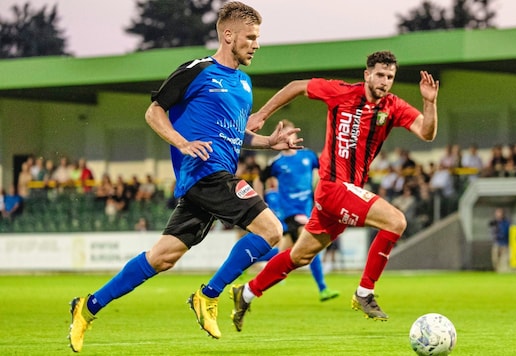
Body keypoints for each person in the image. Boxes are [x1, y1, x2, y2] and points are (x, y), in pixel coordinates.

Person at [67, 2, 302, 352]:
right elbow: (154, 111)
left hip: (213, 178)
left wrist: (269, 142)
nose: (256, 44)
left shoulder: (244, 83)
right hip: (205, 174)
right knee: (271, 230)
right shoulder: (197, 70)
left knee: (162, 257)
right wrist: (182, 142)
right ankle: (208, 295)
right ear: (228, 35)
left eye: (258, 38)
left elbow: (236, 136)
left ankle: (87, 307)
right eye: (250, 37)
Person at [229, 50, 438, 331]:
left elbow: (426, 132)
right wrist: (262, 115)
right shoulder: (340, 92)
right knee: (396, 221)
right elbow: (296, 86)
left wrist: (429, 103)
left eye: (390, 76)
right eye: (379, 74)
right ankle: (365, 292)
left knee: (299, 257)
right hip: (333, 188)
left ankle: (246, 293)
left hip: (346, 194)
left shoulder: (393, 107)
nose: (385, 81)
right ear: (367, 74)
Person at [253, 119, 339, 302]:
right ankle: (323, 288)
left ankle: (247, 261)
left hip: (307, 210)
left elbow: (326, 171)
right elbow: (259, 180)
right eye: (283, 134)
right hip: (290, 213)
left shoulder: (308, 156)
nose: (287, 137)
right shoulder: (277, 163)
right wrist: (261, 203)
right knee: (312, 243)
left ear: (296, 136)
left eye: (290, 133)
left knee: (284, 254)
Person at [488, 207, 511, 272]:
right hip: (497, 244)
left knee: (503, 260)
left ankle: (502, 272)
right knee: (495, 260)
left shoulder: (506, 223)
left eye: (499, 213)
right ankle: (496, 271)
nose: (498, 214)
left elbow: (505, 233)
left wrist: (499, 234)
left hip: (504, 244)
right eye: (497, 213)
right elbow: (492, 232)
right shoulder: (494, 223)